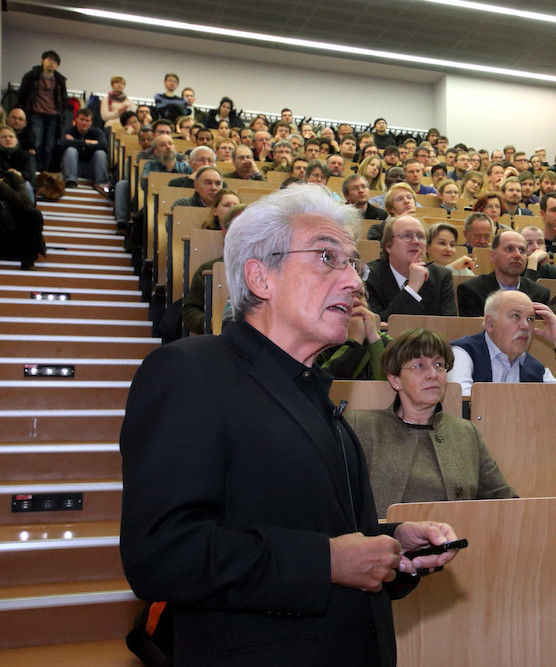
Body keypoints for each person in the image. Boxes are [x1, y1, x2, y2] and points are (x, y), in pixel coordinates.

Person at [119, 184, 459, 665]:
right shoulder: (188, 372)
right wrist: (328, 563)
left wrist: (391, 545)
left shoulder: (314, 392)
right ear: (260, 277)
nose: (353, 281)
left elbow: (308, 525)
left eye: (353, 264)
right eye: (327, 257)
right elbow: (162, 556)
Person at [346, 329, 516, 516]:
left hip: (456, 533)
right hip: (389, 535)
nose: (433, 374)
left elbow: (504, 501)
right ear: (395, 380)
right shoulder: (361, 426)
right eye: (419, 365)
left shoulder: (466, 433)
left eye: (438, 364)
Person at [449, 290, 556, 396]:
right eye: (515, 316)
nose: (525, 326)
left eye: (530, 319)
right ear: (489, 323)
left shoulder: (535, 369)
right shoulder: (463, 353)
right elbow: (461, 403)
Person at [365, 216, 457, 320]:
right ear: (388, 246)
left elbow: (448, 324)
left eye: (420, 236)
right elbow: (378, 324)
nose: (416, 241)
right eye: (407, 236)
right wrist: (412, 288)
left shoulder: (441, 276)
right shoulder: (368, 275)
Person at [182, 199, 244, 334]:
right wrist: (210, 322)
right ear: (225, 232)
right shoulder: (208, 270)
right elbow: (189, 312)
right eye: (237, 226)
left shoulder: (269, 267)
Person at [457, 231, 550, 317]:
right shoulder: (472, 290)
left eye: (522, 250)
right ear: (493, 256)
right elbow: (472, 328)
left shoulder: (539, 294)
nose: (517, 255)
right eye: (509, 249)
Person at [17, 50, 68, 172]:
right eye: (49, 60)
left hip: (53, 116)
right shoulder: (32, 76)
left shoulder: (60, 80)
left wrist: (63, 115)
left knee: (49, 146)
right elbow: (22, 95)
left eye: (55, 62)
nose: (52, 63)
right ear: (43, 61)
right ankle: (34, 170)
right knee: (36, 142)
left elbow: (63, 99)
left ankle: (45, 171)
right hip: (36, 113)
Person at [0, 169, 45, 270]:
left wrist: (4, 185)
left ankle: (28, 260)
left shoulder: (10, 179)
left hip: (13, 238)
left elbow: (26, 206)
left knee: (33, 214)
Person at [59, 109, 110, 194]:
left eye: (87, 120)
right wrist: (88, 142)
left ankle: (102, 183)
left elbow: (104, 145)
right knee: (71, 150)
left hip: (92, 168)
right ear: (76, 119)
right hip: (72, 167)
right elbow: (64, 144)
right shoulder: (68, 130)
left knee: (100, 153)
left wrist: (75, 142)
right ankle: (71, 182)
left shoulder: (97, 131)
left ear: (91, 122)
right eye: (82, 119)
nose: (84, 123)